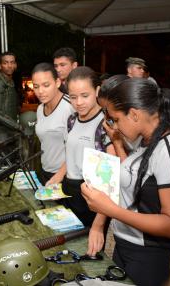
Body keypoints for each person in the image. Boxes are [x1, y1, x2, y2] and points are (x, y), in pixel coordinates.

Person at [81, 80, 170, 286]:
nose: (114, 125)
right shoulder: (145, 141)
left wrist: (110, 209)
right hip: (127, 248)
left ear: (134, 114)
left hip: (150, 257)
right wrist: (116, 141)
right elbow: (134, 177)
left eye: (116, 119)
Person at [64, 66, 116, 227]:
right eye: (73, 97)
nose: (78, 102)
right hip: (69, 190)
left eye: (85, 95)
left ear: (97, 90)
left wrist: (99, 224)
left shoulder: (106, 124)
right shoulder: (72, 119)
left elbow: (111, 179)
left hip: (92, 196)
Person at [32, 62, 74, 185]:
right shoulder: (40, 109)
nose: (40, 91)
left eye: (46, 85)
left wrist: (60, 175)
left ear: (57, 82)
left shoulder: (70, 107)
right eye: (35, 86)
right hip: (46, 172)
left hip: (66, 176)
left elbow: (80, 148)